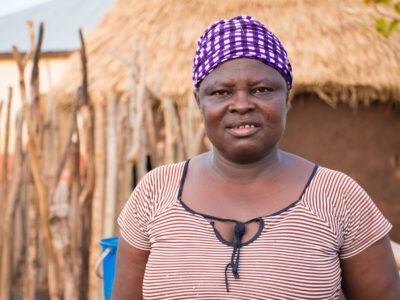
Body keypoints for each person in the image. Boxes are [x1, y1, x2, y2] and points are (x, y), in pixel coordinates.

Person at [112, 15, 400, 299]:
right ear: (200, 102)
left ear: (287, 97)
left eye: (261, 90)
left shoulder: (338, 197)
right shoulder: (155, 192)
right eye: (221, 92)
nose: (241, 105)